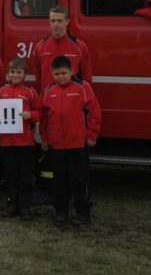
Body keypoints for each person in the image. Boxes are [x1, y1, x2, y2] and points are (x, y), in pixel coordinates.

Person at [40, 55, 101, 226]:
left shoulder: (82, 87)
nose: (61, 77)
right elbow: (44, 118)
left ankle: (83, 213)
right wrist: (44, 137)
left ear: (72, 71)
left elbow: (94, 113)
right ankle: (61, 211)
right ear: (52, 74)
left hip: (77, 144)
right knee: (59, 180)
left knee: (79, 179)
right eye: (57, 74)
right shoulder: (49, 90)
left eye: (64, 73)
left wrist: (91, 136)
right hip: (56, 145)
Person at [0, 58, 42, 220]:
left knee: (25, 175)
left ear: (24, 75)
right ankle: (11, 205)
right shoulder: (1, 91)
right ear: (8, 73)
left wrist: (31, 115)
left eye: (18, 72)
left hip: (25, 142)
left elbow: (39, 111)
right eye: (12, 72)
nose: (15, 75)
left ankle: (25, 207)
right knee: (10, 175)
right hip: (6, 142)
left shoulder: (30, 92)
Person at [32, 5, 92, 92]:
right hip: (48, 100)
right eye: (53, 21)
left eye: (59, 21)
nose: (56, 24)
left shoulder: (80, 46)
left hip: (72, 99)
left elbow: (86, 78)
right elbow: (38, 78)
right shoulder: (40, 47)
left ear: (67, 21)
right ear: (49, 22)